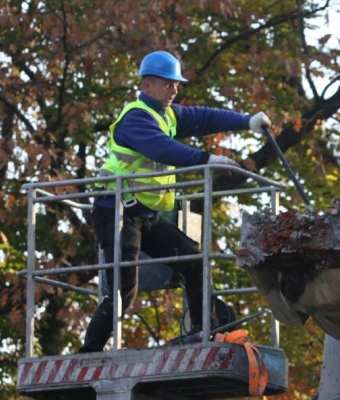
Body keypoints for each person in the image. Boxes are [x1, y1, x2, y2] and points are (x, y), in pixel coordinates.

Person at [80, 50, 271, 353]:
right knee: (123, 293)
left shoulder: (167, 114)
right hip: (115, 211)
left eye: (176, 84)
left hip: (145, 214)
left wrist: (247, 122)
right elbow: (161, 149)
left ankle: (202, 331)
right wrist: (207, 159)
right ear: (147, 86)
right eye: (168, 84)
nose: (174, 90)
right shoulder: (135, 118)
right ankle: (88, 354)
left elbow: (203, 117)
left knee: (193, 261)